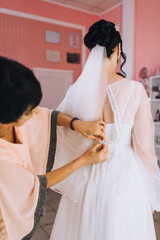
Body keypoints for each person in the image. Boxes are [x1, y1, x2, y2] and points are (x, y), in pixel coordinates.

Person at [50, 19, 160, 240]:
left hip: (85, 176)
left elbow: (56, 122)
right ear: (118, 48)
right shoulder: (135, 90)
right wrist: (151, 192)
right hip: (124, 178)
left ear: (91, 50)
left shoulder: (76, 90)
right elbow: (144, 148)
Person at [0, 56, 109, 240]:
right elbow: (37, 185)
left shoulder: (13, 117)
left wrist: (78, 124)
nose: (36, 112)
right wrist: (85, 159)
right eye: (28, 111)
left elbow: (46, 115)